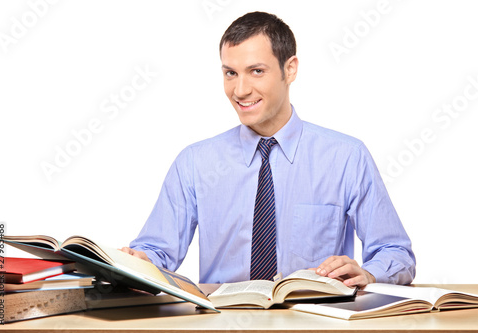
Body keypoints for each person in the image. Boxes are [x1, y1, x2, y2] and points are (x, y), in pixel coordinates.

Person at [121, 11, 415, 288]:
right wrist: (139, 262)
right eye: (230, 73)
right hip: (222, 323)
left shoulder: (346, 157)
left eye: (256, 71)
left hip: (312, 322)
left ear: (290, 69)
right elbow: (157, 251)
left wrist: (368, 273)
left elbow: (396, 252)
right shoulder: (195, 163)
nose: (240, 90)